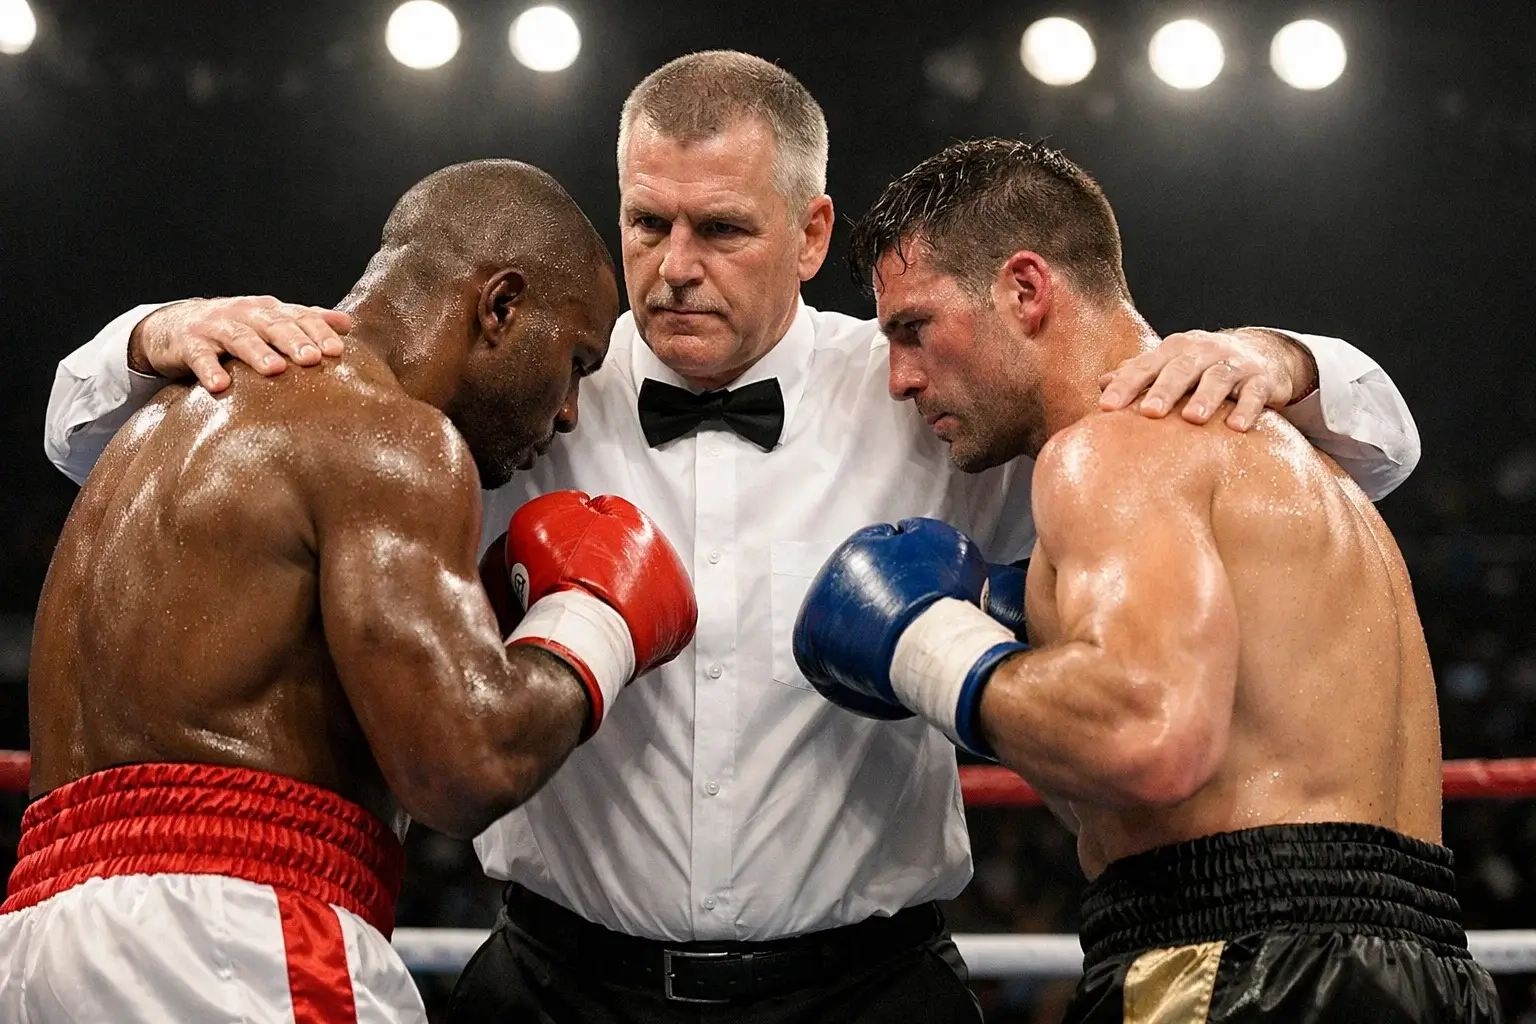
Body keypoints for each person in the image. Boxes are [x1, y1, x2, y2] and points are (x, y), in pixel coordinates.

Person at [42, 52, 1423, 1023]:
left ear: (812, 232)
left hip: (868, 984)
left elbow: (1342, 463)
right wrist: (150, 336)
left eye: (721, 228)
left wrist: (1288, 357)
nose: (674, 265)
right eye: (647, 222)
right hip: (560, 978)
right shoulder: (527, 383)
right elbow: (148, 459)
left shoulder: (926, 381)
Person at [794, 138, 1500, 1022]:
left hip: (1236, 967)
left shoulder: (1109, 449)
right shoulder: (1294, 459)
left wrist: (928, 647)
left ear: (1025, 289)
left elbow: (1148, 738)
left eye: (913, 328)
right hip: (1420, 967)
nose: (900, 377)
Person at [3, 160, 700, 1024]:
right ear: (501, 307)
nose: (568, 413)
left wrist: (151, 330)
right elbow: (463, 768)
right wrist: (595, 619)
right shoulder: (393, 437)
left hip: (39, 935)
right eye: (577, 361)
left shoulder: (156, 422)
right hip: (237, 940)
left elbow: (69, 422)